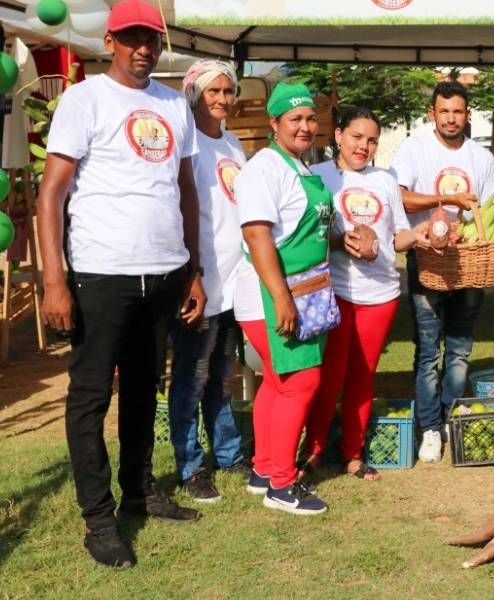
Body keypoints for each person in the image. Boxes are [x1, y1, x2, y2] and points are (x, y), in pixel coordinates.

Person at [35, 0, 205, 567]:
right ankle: (98, 520)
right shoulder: (85, 99)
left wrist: (193, 268)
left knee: (141, 390)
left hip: (164, 270)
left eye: (151, 39)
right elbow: (51, 195)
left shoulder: (172, 104)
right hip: (101, 272)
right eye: (131, 38)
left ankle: (138, 491)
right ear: (110, 42)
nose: (143, 49)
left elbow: (185, 189)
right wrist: (54, 281)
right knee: (90, 396)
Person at [303, 107, 428, 480]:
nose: (364, 146)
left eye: (372, 140)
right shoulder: (317, 177)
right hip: (336, 293)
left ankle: (353, 453)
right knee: (328, 376)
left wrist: (417, 237)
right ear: (338, 135)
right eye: (357, 137)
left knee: (362, 377)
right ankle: (314, 451)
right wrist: (343, 242)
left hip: (381, 295)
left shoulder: (385, 181)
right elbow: (309, 236)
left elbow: (397, 236)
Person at [234, 82, 334, 515]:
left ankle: (263, 469)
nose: (305, 126)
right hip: (272, 293)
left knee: (277, 383)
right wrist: (282, 299)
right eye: (294, 119)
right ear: (273, 123)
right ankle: (282, 484)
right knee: (300, 382)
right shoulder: (264, 170)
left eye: (310, 118)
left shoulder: (299, 166)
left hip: (302, 291)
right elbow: (257, 236)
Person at [389, 81, 494, 463]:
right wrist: (447, 199)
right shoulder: (415, 148)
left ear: (467, 114)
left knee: (460, 349)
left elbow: (489, 211)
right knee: (426, 352)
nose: (451, 118)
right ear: (432, 114)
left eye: (458, 111)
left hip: (469, 265)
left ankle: (452, 417)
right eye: (444, 111)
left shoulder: (482, 157)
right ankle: (430, 428)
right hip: (427, 262)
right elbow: (398, 195)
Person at [167, 59, 251, 504]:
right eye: (213, 91)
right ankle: (189, 464)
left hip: (235, 281)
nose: (222, 99)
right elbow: (183, 213)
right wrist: (190, 276)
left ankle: (229, 452)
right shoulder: (187, 144)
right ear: (194, 94)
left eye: (228, 91)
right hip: (200, 281)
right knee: (191, 376)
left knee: (221, 376)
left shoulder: (234, 145)